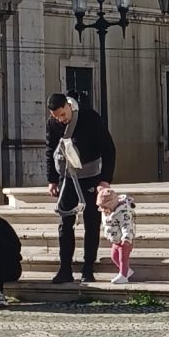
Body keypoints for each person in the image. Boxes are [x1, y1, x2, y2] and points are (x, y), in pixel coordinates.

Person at [46, 90, 116, 284]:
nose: (60, 119)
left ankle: (88, 268)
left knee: (91, 223)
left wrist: (105, 180)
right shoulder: (53, 123)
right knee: (65, 222)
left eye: (62, 115)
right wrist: (52, 180)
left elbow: (109, 149)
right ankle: (65, 269)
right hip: (67, 177)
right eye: (55, 117)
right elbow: (50, 149)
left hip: (91, 177)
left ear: (68, 106)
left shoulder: (89, 117)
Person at [98, 183, 136, 285]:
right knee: (114, 256)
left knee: (123, 258)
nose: (102, 209)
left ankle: (123, 275)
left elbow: (126, 226)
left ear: (111, 204)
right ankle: (127, 271)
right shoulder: (107, 211)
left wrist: (126, 238)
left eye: (104, 206)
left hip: (124, 241)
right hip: (115, 239)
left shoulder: (123, 213)